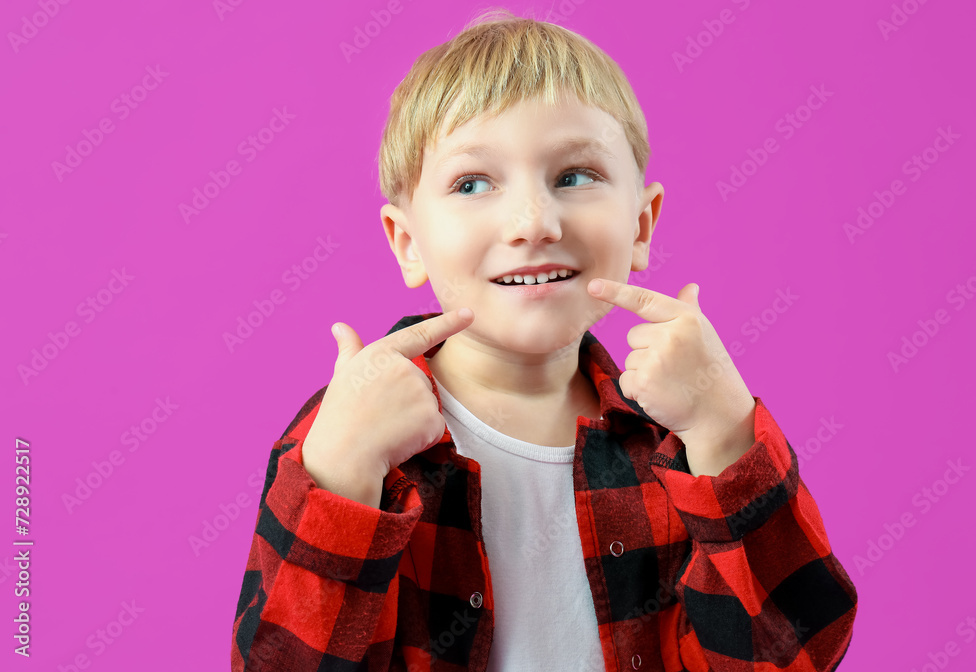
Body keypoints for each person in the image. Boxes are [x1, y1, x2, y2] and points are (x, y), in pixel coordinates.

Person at [231, 9, 857, 671]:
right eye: (473, 184)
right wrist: (343, 480)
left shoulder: (679, 437)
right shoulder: (348, 434)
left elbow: (790, 654)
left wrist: (726, 433)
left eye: (574, 176)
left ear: (640, 226)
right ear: (408, 242)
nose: (534, 222)